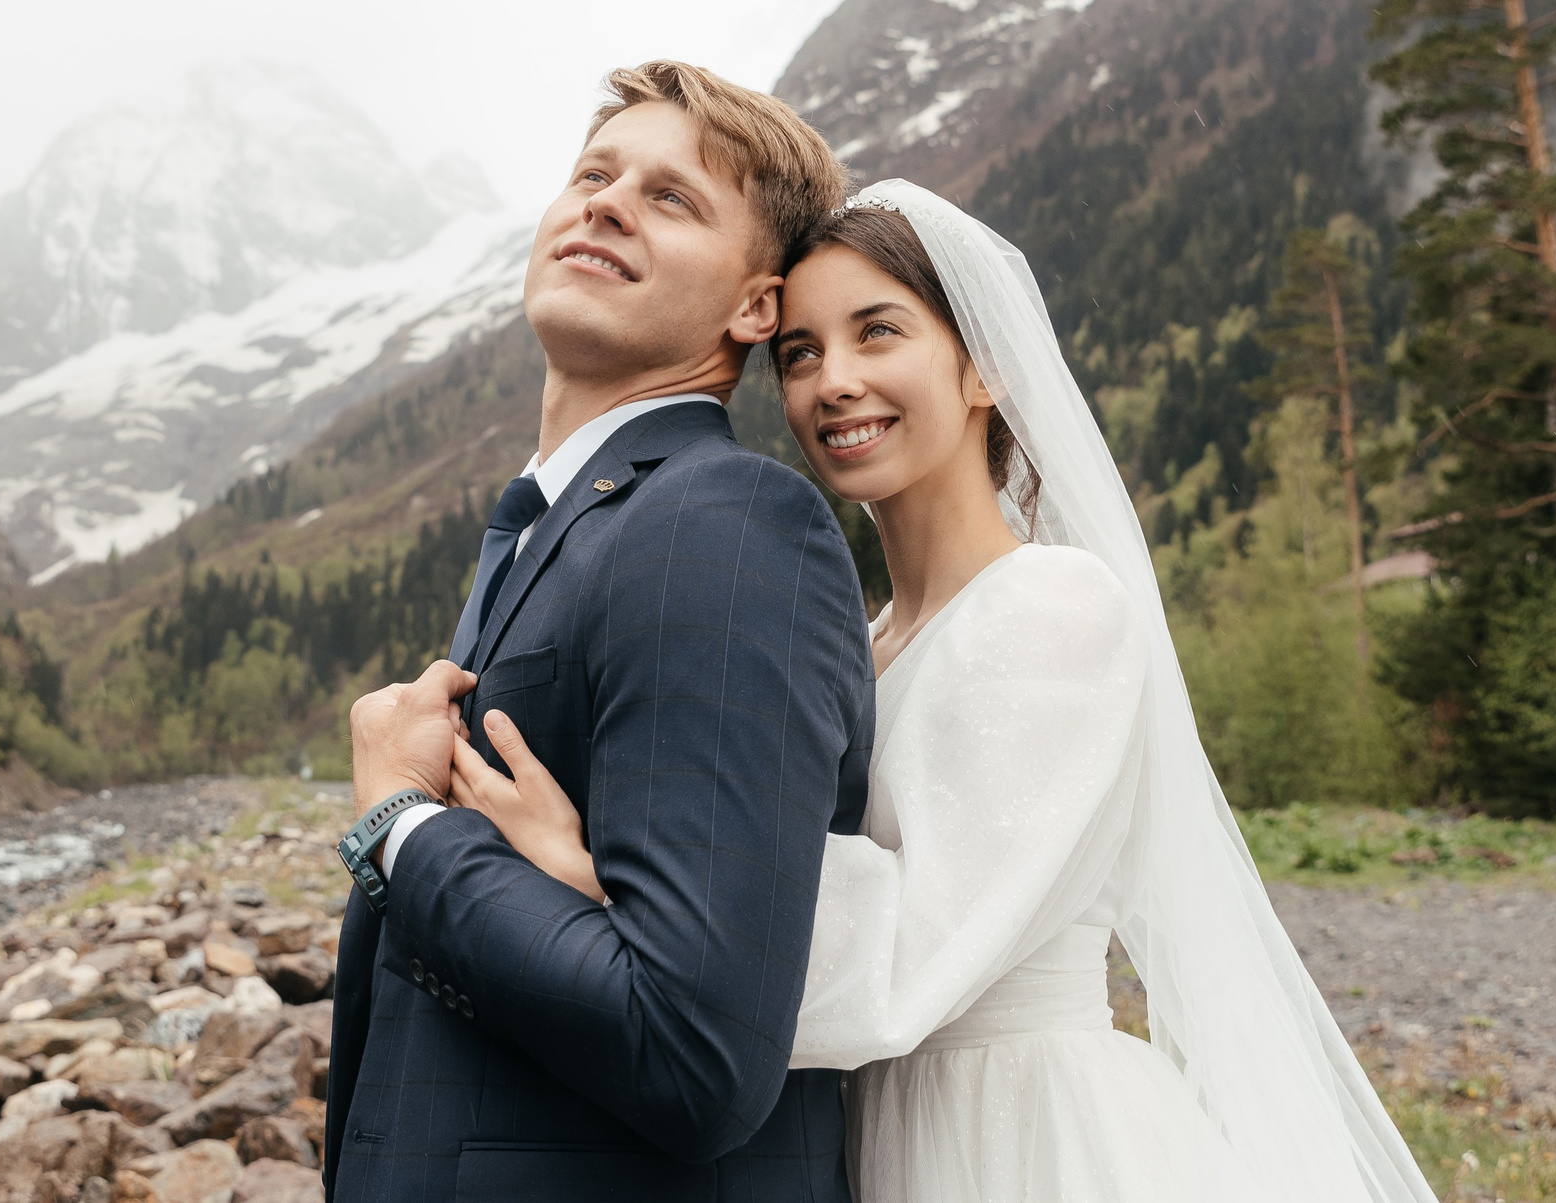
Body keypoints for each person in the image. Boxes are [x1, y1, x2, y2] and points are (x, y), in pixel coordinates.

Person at [453, 180, 1439, 1203]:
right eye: (800, 353)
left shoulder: (1054, 608)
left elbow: (904, 954)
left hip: (1017, 1135)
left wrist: (607, 873)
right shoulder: (869, 642)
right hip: (880, 1124)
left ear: (984, 370)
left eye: (878, 333)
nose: (834, 381)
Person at [328, 61, 875, 1202]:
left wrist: (398, 828)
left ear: (753, 307)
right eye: (593, 172)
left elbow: (694, 1050)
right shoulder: (569, 524)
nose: (608, 201)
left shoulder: (726, 526)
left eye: (671, 198)